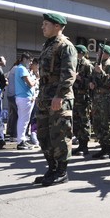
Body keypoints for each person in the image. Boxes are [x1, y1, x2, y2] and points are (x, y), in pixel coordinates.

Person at [34, 13, 77, 186]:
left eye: (46, 24)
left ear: (57, 26)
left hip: (59, 97)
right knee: (43, 134)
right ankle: (51, 168)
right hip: (45, 96)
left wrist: (59, 95)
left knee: (59, 135)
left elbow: (68, 75)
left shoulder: (66, 46)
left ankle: (61, 172)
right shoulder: (47, 45)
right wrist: (41, 96)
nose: (42, 27)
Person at [71, 44, 94, 156]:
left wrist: (80, 78)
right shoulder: (75, 63)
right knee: (75, 122)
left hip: (83, 97)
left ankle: (84, 146)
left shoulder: (87, 65)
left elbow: (91, 83)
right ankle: (80, 143)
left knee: (84, 122)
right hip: (75, 97)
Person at [15, 52, 36, 150]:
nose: (31, 63)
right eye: (30, 60)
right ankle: (21, 141)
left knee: (24, 120)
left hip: (24, 97)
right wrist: (36, 79)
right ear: (24, 59)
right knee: (24, 120)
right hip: (24, 98)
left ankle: (22, 140)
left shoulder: (20, 68)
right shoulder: (22, 69)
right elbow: (30, 84)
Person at [5, 60, 20, 142]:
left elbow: (5, 77)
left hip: (10, 95)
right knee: (18, 115)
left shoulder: (12, 69)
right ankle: (15, 135)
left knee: (14, 115)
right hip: (15, 95)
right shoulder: (18, 69)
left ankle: (12, 135)